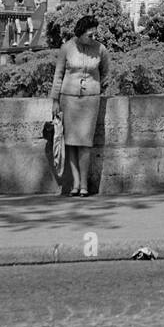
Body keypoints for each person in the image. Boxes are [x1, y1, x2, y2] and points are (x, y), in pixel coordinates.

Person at [51, 15, 109, 196]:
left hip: (90, 100)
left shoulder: (101, 49)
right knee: (70, 143)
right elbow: (58, 75)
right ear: (81, 33)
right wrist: (54, 100)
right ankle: (75, 184)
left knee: (85, 143)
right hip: (68, 99)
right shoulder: (67, 48)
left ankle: (84, 183)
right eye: (90, 35)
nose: (93, 38)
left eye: (94, 34)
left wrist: (102, 90)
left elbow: (106, 73)